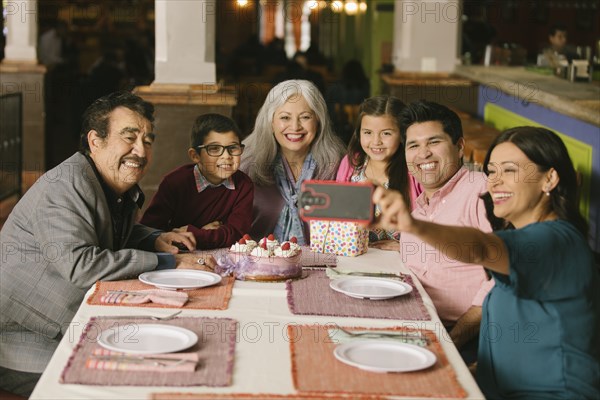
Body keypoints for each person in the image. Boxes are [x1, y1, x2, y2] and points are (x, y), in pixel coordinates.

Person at [0, 91, 211, 396]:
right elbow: (82, 265)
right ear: (95, 141)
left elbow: (102, 233)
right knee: (126, 383)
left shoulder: (110, 184)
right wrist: (170, 261)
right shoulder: (62, 188)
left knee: (172, 348)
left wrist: (154, 239)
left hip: (71, 321)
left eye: (147, 140)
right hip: (27, 340)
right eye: (129, 137)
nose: (140, 150)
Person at [374, 126, 600, 399]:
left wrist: (413, 225)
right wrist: (465, 371)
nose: (495, 182)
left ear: (549, 178)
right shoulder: (528, 239)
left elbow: (481, 247)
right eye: (491, 171)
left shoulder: (556, 242)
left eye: (509, 170)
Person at [398, 100, 494, 362]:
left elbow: (501, 282)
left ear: (459, 146)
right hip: (420, 327)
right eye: (413, 145)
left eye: (434, 142)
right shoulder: (418, 211)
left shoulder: (480, 191)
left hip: (470, 337)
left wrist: (453, 340)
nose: (423, 154)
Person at [241, 79, 345, 244]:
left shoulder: (339, 165)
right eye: (285, 117)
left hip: (324, 264)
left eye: (305, 117)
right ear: (271, 121)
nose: (295, 127)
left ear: (318, 121)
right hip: (255, 263)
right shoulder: (245, 164)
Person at [140, 113, 254, 249]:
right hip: (178, 256)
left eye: (233, 148)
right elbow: (150, 233)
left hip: (222, 256)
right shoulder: (175, 182)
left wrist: (195, 233)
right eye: (214, 149)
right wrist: (206, 232)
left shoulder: (244, 184)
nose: (226, 156)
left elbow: (237, 234)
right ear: (195, 156)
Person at [335, 95, 422, 250]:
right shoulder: (351, 164)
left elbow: (430, 222)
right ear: (358, 132)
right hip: (356, 257)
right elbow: (338, 214)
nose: (376, 141)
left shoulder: (413, 169)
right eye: (368, 132)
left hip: (402, 261)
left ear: (403, 134)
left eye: (386, 133)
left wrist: (405, 246)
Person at [326, 59, 370, 145]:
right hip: (359, 129)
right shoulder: (365, 86)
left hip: (338, 131)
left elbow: (328, 108)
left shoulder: (335, 87)